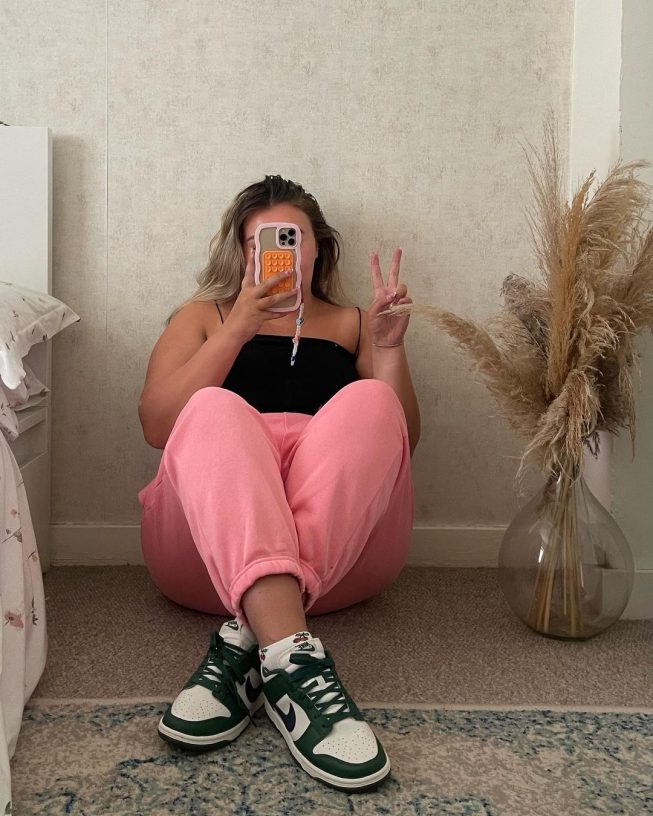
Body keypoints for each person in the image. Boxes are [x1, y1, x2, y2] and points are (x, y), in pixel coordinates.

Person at [137, 175, 420, 793]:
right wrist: (237, 327)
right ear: (242, 252)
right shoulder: (202, 317)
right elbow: (157, 426)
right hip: (199, 555)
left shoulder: (356, 323)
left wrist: (388, 350)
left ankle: (252, 640)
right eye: (258, 241)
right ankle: (294, 655)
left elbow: (400, 442)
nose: (278, 253)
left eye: (293, 238)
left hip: (344, 559)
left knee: (373, 400)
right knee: (213, 408)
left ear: (319, 247)